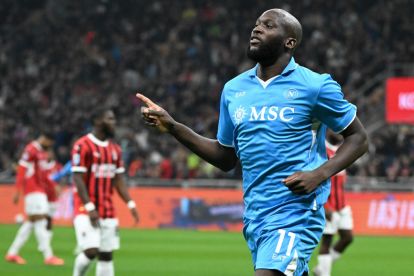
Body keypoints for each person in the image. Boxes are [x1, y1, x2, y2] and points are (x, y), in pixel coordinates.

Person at [137, 8, 368, 276]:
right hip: (256, 213)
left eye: (268, 26)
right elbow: (225, 157)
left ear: (289, 42)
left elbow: (359, 138)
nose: (256, 29)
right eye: (257, 24)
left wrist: (319, 174)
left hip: (296, 211)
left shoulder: (315, 86)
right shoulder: (234, 89)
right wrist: (174, 127)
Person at [71, 107, 139, 276]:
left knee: (106, 254)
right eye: (110, 119)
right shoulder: (82, 145)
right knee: (91, 250)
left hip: (108, 209)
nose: (114, 123)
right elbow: (78, 178)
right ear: (97, 121)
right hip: (86, 209)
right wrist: (89, 207)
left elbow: (118, 180)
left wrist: (130, 204)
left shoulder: (115, 150)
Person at [5, 131, 65, 266]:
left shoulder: (41, 153)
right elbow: (21, 169)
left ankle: (12, 253)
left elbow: (43, 175)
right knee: (40, 220)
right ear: (45, 139)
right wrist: (17, 190)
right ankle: (48, 256)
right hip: (33, 190)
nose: (50, 146)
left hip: (39, 190)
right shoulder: (31, 149)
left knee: (31, 223)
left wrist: (53, 185)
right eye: (50, 143)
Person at [313, 132, 354, 276]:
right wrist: (323, 206)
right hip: (328, 206)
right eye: (334, 129)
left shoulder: (342, 150)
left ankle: (320, 269)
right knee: (327, 241)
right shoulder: (321, 150)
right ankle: (324, 273)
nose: (338, 132)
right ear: (327, 130)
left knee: (347, 238)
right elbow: (315, 180)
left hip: (342, 205)